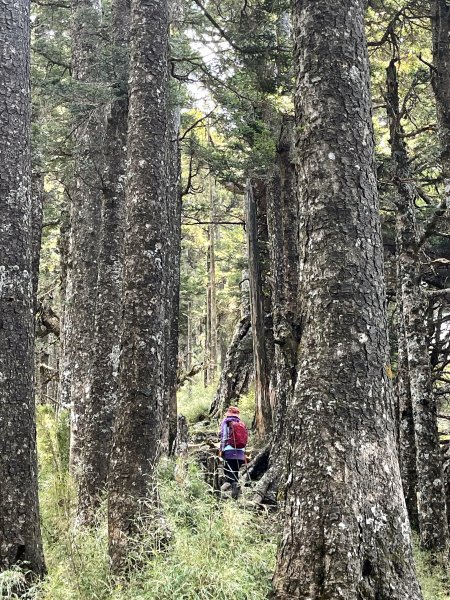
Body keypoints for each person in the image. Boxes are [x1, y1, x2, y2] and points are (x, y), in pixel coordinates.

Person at [219, 406, 247, 499]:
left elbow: (224, 437)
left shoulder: (226, 422)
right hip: (240, 453)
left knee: (229, 474)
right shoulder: (241, 423)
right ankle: (234, 496)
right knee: (235, 473)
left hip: (229, 451)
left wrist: (221, 450)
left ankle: (223, 495)